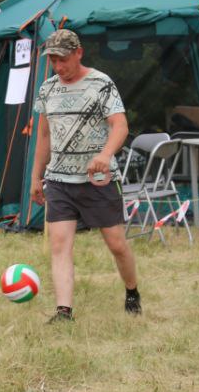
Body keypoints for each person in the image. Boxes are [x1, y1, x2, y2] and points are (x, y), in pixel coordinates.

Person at [29, 29, 141, 323]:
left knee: (116, 245)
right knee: (59, 246)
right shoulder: (47, 89)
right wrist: (36, 177)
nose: (58, 66)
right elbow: (44, 136)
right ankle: (63, 312)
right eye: (53, 60)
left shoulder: (101, 84)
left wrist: (105, 155)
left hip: (98, 181)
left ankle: (132, 291)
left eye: (63, 59)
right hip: (58, 181)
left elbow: (120, 126)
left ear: (78, 53)